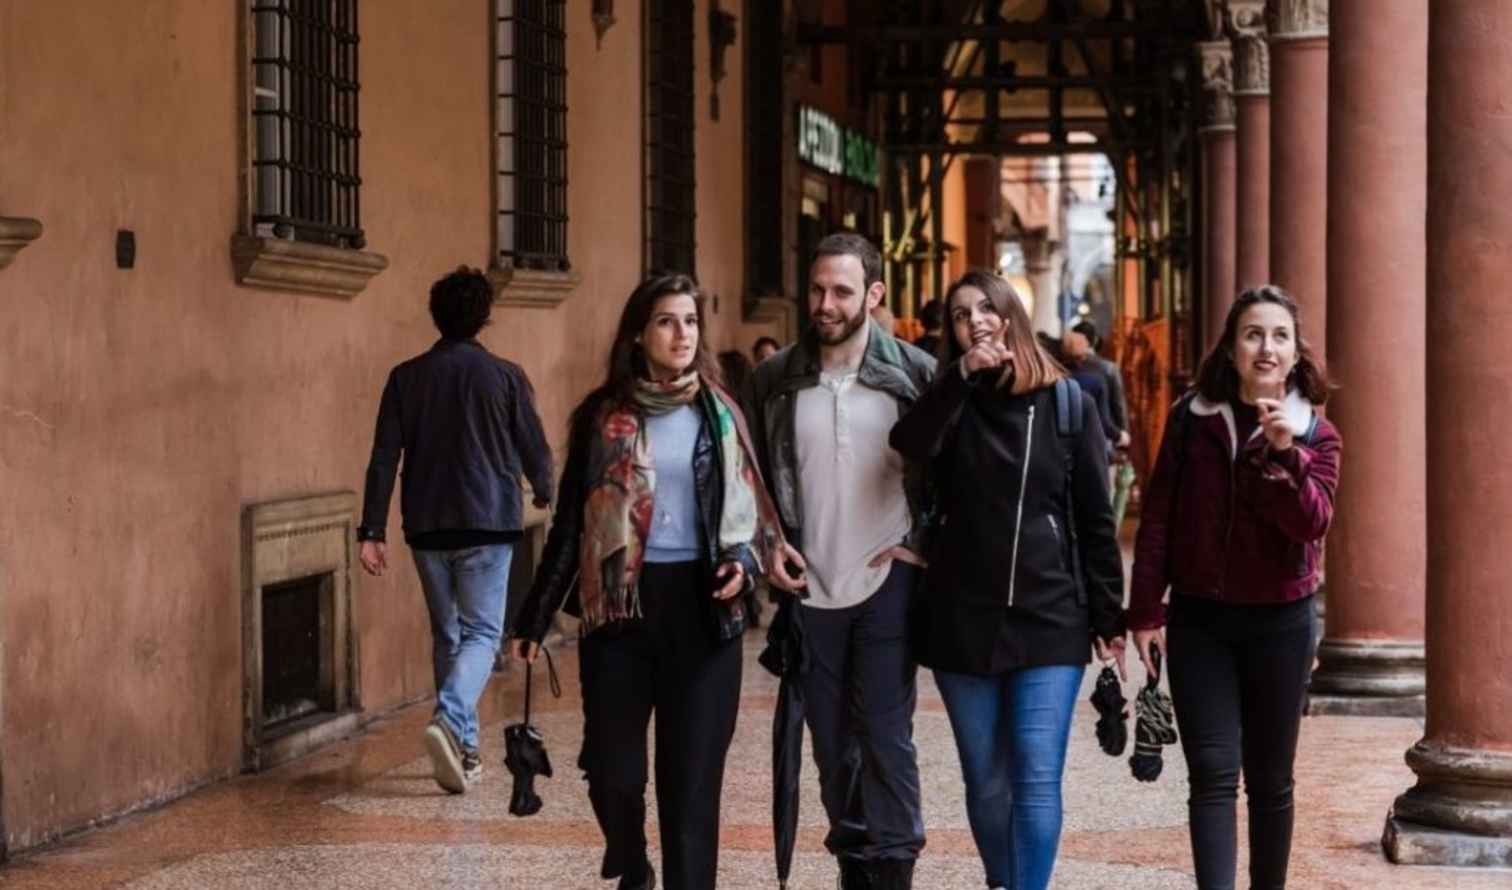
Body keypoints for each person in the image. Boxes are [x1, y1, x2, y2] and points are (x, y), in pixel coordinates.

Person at [509, 273, 784, 890]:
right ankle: (631, 859)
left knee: (690, 792)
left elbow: (752, 515)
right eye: (666, 320)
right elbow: (570, 528)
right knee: (614, 774)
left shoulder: (722, 414)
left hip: (704, 609)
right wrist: (534, 617)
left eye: (689, 321)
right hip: (619, 613)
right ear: (639, 333)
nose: (681, 333)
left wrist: (743, 564)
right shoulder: (601, 418)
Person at [890, 270, 1126, 890]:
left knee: (1036, 776)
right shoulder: (950, 399)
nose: (976, 321)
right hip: (961, 614)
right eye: (961, 315)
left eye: (986, 308)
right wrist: (958, 378)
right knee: (986, 781)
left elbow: (1095, 519)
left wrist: (1110, 617)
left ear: (1011, 315)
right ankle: (1003, 880)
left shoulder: (1068, 403)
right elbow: (907, 443)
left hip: (1050, 615)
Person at [1128, 285, 1341, 890]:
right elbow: (1161, 518)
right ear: (1231, 348)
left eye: (1279, 336)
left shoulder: (1317, 437)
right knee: (1213, 773)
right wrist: (1145, 611)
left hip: (1282, 623)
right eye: (1253, 334)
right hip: (1202, 622)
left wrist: (1284, 456)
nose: (1266, 347)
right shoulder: (1191, 419)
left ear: (1297, 353)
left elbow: (1312, 522)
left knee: (1271, 779)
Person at [743, 232, 936, 890]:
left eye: (842, 291)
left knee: (886, 735)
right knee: (831, 747)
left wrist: (924, 545)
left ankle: (896, 870)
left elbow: (949, 474)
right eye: (818, 289)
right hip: (810, 587)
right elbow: (753, 483)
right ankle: (857, 868)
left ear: (874, 296)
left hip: (888, 581)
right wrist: (769, 547)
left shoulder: (915, 374)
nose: (825, 303)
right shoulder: (773, 380)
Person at [356, 266, 555, 794]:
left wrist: (371, 528)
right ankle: (448, 716)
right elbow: (534, 444)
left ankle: (464, 751)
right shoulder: (507, 376)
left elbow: (383, 457)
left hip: (426, 524)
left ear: (436, 315)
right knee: (484, 636)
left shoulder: (406, 377)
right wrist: (545, 488)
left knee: (448, 635)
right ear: (484, 317)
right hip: (488, 521)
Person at [1068, 320, 1137, 529]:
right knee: (1104, 500)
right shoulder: (1108, 369)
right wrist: (1123, 440)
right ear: (1094, 341)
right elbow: (1118, 408)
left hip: (1069, 445)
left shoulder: (1063, 369)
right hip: (1103, 444)